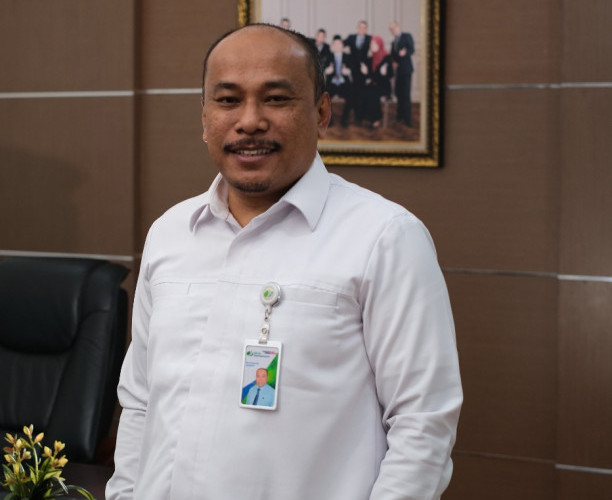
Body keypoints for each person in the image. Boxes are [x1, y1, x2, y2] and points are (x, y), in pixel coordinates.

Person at [106, 23, 462, 500]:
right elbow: (140, 401)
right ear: (205, 117)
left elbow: (424, 422)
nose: (250, 121)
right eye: (228, 100)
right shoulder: (171, 233)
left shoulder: (384, 237)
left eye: (276, 99)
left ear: (321, 112)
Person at [344, 20, 373, 124]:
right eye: (360, 27)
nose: (362, 29)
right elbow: (340, 44)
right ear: (357, 28)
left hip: (364, 70)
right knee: (353, 92)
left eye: (364, 27)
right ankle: (348, 116)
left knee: (361, 93)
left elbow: (377, 49)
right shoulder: (351, 37)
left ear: (366, 29)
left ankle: (359, 117)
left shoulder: (370, 38)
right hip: (352, 70)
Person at [362, 35, 393, 128]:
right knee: (364, 90)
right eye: (371, 44)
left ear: (379, 44)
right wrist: (366, 72)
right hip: (374, 84)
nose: (372, 46)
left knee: (372, 92)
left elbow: (391, 74)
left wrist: (385, 73)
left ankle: (375, 119)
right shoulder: (370, 58)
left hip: (384, 85)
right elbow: (371, 76)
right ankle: (367, 117)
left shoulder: (387, 57)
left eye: (374, 44)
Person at [389, 20, 415, 126]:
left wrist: (405, 52)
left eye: (394, 27)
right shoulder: (393, 42)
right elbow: (393, 56)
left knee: (406, 95)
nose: (393, 30)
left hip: (406, 70)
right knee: (399, 94)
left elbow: (412, 49)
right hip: (398, 71)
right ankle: (399, 116)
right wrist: (393, 62)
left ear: (398, 27)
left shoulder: (406, 36)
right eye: (391, 29)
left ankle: (408, 120)